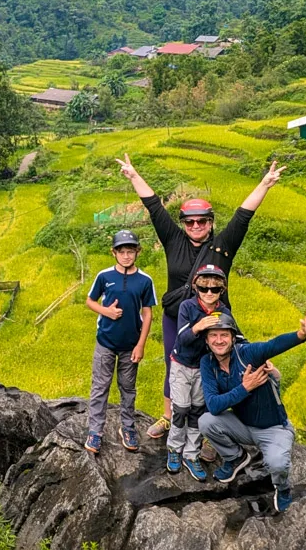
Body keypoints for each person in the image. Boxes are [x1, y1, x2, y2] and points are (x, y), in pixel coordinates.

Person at [116, 154, 285, 439]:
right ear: (182, 223)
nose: (196, 227)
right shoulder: (173, 240)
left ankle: (211, 426)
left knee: (218, 367)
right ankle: (169, 416)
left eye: (202, 222)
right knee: (175, 364)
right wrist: (133, 175)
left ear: (210, 222)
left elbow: (243, 215)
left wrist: (265, 184)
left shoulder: (223, 246)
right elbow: (154, 206)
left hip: (216, 319)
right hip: (177, 318)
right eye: (190, 222)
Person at [198, 306, 306, 512]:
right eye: (213, 335)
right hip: (243, 426)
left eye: (224, 335)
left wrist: (302, 334)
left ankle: (282, 489)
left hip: (274, 428)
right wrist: (245, 387)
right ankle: (235, 458)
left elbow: (272, 346)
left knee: (277, 464)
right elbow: (213, 405)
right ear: (206, 340)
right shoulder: (208, 363)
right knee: (206, 421)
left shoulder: (247, 354)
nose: (219, 340)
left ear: (233, 338)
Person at [84, 229, 156, 455]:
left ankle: (127, 427)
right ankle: (95, 431)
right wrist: (106, 311)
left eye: (130, 251)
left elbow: (148, 314)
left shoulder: (145, 281)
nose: (126, 256)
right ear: (113, 253)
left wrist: (141, 345)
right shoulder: (104, 276)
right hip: (105, 342)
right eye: (122, 251)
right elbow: (89, 301)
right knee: (100, 387)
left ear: (138, 252)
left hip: (130, 345)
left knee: (128, 388)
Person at [166, 263, 236, 479]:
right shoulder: (187, 307)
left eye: (214, 289)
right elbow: (182, 339)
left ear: (221, 291)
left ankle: (191, 453)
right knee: (181, 408)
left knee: (198, 409)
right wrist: (199, 326)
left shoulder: (223, 312)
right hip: (181, 364)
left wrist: (259, 356)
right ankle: (174, 449)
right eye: (204, 288)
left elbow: (237, 337)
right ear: (196, 288)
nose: (209, 293)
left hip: (204, 368)